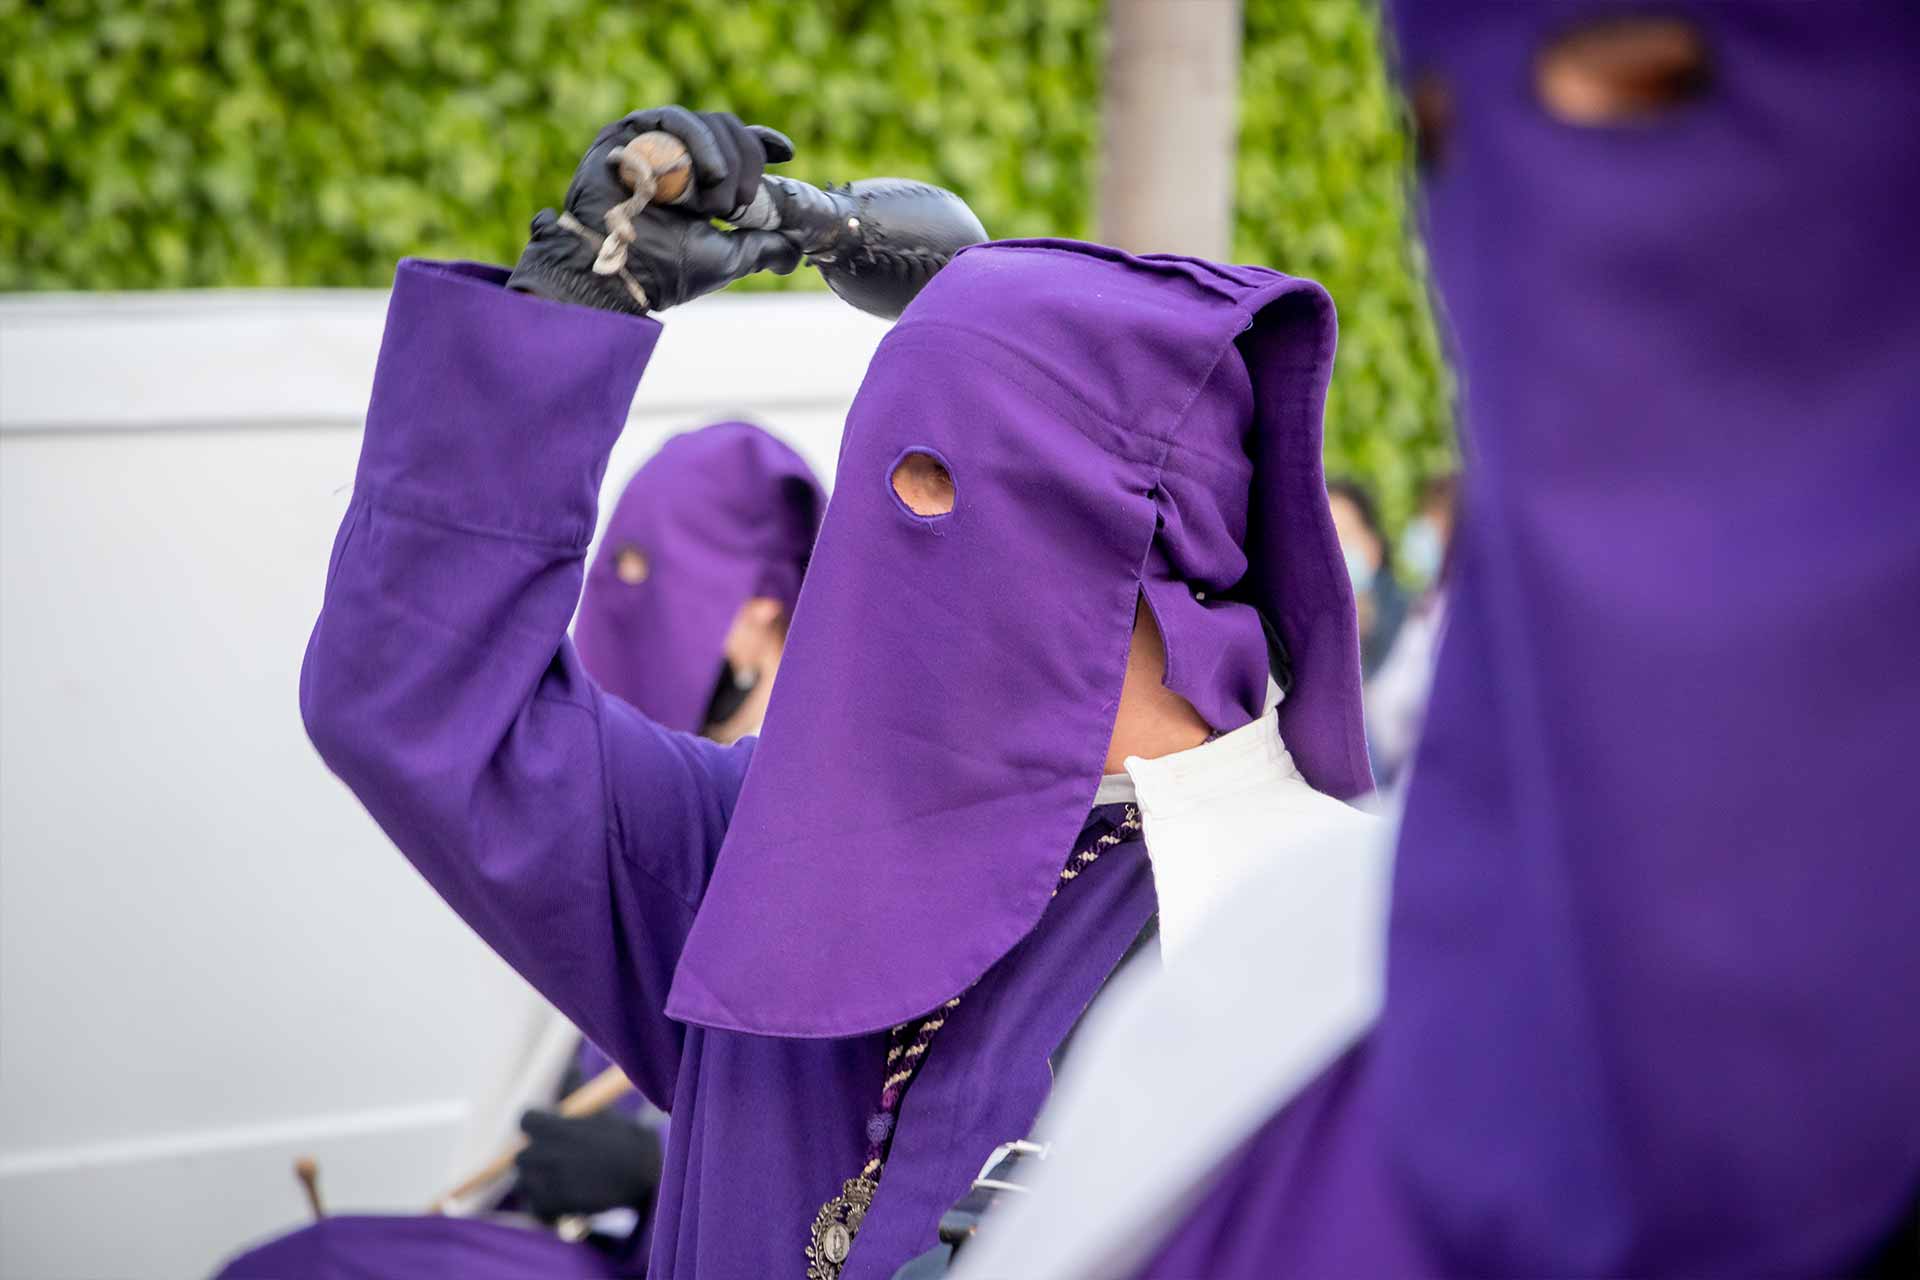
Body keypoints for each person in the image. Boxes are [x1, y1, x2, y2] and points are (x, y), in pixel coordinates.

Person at [296, 104, 1378, 1279]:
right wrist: (575, 304)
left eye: (924, 491)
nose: (860, 554)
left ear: (1137, 545)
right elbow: (413, 700)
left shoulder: (1320, 945)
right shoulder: (765, 847)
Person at [949, 5, 1920, 1277]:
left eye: (1662, 92)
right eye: (1448, 138)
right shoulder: (1274, 1001)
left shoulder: (1255, 911)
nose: (1553, 204)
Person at [214, 420, 825, 1279]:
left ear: (761, 613)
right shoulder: (650, 794)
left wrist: (660, 1173)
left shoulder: (822, 824)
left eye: (649, 582)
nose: (619, 615)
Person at [1326, 477, 1406, 678]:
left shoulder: (1411, 627)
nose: (1333, 551)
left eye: (1343, 535)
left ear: (1374, 546)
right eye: (1324, 540)